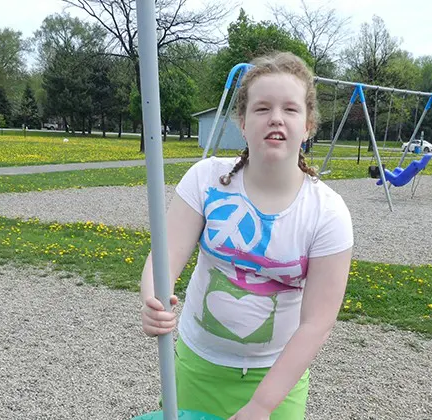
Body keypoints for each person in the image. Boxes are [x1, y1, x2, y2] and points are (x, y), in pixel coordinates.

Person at [140, 51, 353, 420]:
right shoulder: (206, 179)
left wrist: (262, 405)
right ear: (242, 122)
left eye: (290, 109)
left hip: (277, 379)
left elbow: (317, 322)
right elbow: (165, 256)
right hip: (197, 367)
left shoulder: (328, 213)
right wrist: (152, 299)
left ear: (308, 125)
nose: (275, 118)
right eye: (261, 108)